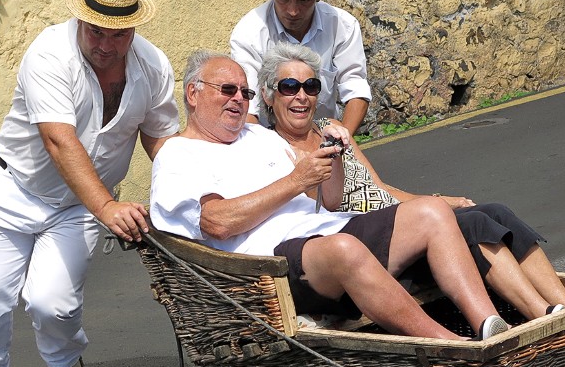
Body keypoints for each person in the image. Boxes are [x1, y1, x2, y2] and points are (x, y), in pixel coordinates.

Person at [150, 51, 513, 342]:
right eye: (226, 90)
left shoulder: (259, 137)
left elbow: (331, 199)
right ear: (193, 93)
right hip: (267, 268)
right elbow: (217, 222)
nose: (238, 100)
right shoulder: (178, 153)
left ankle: (489, 326)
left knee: (431, 210)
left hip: (323, 232)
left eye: (244, 93)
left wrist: (330, 159)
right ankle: (451, 346)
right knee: (343, 248)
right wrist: (294, 181)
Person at [0, 0, 180, 367]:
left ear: (133, 28)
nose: (105, 43)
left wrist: (185, 198)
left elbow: (160, 138)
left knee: (52, 302)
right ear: (82, 19)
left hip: (78, 205)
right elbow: (60, 141)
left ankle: (63, 360)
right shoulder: (48, 54)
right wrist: (109, 209)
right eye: (96, 30)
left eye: (117, 34)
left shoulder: (153, 66)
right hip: (12, 192)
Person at [256, 42, 565, 321]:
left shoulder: (332, 132)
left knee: (495, 212)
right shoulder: (276, 150)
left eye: (310, 85)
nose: (301, 95)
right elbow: (323, 203)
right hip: (377, 245)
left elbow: (382, 189)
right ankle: (543, 315)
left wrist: (437, 201)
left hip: (406, 221)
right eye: (289, 87)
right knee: (473, 225)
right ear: (271, 96)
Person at [229, 0, 371, 136]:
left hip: (325, 135)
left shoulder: (343, 26)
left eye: (304, 0)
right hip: (266, 139)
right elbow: (248, 105)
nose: (293, 11)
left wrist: (340, 143)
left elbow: (356, 88)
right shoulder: (249, 32)